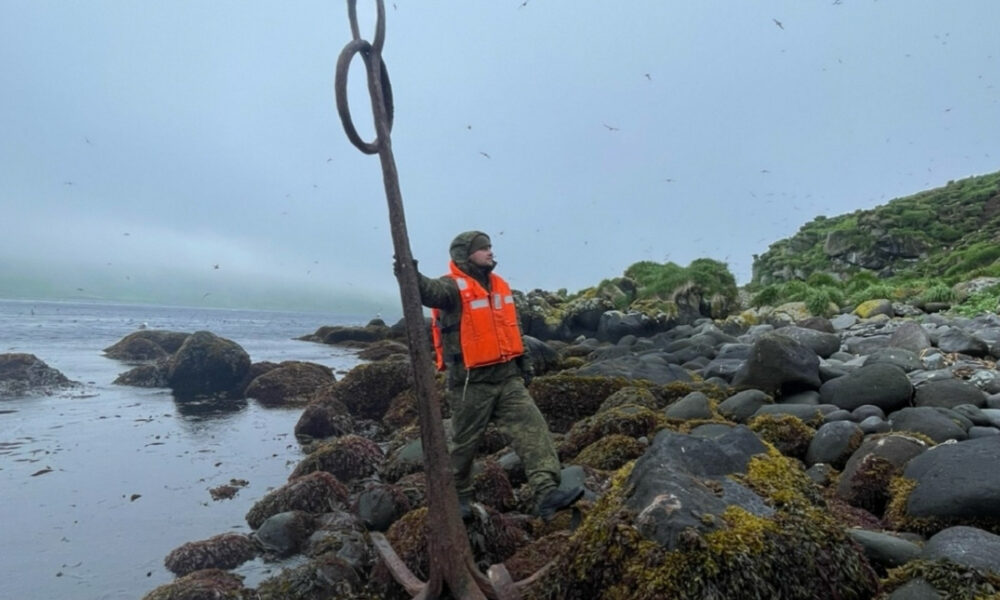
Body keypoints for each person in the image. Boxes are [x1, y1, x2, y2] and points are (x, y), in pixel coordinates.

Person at [407, 230, 583, 520]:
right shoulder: (451, 289)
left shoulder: (500, 286)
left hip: (507, 378)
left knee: (534, 430)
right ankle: (458, 501)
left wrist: (524, 365)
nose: (490, 252)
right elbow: (425, 292)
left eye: (490, 247)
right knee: (463, 446)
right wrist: (409, 271)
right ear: (465, 255)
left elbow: (513, 330)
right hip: (470, 383)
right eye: (483, 248)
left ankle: (545, 492)